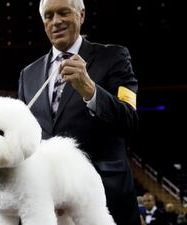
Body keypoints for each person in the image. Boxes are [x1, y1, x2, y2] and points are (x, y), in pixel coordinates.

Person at [18, 0, 140, 224]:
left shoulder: (114, 57)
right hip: (48, 205)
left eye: (64, 12)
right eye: (48, 16)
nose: (56, 21)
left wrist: (91, 91)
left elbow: (130, 120)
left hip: (104, 197)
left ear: (81, 15)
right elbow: (22, 140)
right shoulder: (28, 74)